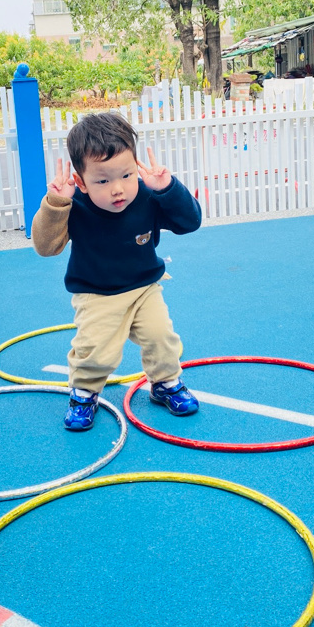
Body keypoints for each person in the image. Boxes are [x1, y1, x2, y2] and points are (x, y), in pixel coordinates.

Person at [31, 112, 202, 430]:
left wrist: (168, 188)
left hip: (144, 288)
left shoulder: (148, 195)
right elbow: (46, 247)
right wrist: (55, 204)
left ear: (136, 166)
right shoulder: (74, 205)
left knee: (161, 337)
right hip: (96, 292)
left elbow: (190, 222)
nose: (118, 189)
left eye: (126, 175)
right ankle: (84, 394)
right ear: (81, 181)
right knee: (96, 351)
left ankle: (165, 383)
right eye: (103, 181)